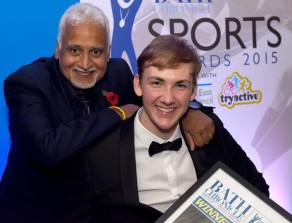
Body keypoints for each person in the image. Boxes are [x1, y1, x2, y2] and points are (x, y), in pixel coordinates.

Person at [0, 3, 215, 223]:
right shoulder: (26, 83)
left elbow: (160, 100)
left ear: (108, 52)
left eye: (96, 52)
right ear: (58, 49)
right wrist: (117, 113)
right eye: (75, 50)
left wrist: (190, 111)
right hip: (37, 212)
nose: (85, 63)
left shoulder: (119, 72)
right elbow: (49, 149)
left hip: (98, 210)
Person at [62, 35, 269, 223]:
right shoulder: (99, 153)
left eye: (180, 85)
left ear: (193, 91)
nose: (168, 98)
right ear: (138, 85)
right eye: (157, 83)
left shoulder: (210, 132)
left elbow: (258, 192)